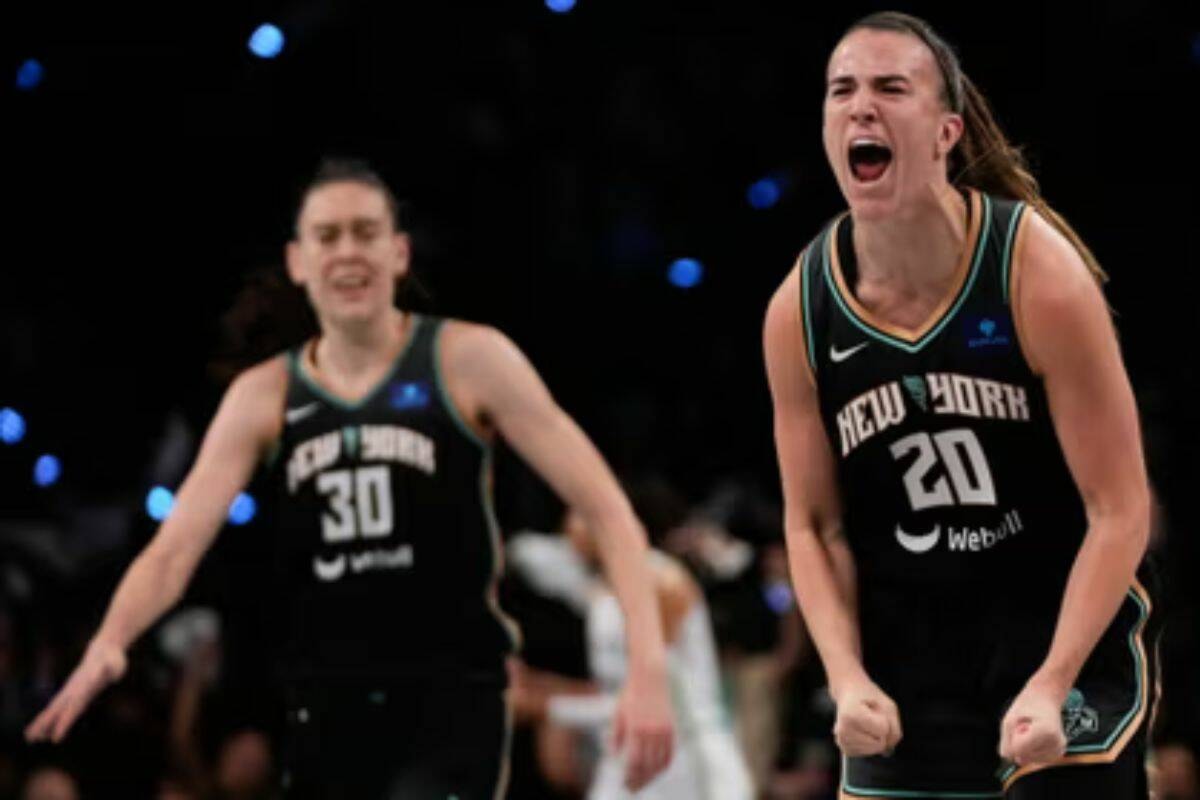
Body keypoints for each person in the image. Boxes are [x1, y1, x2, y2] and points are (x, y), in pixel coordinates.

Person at [25, 158, 673, 798]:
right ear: (297, 262)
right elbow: (173, 553)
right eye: (327, 236)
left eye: (365, 233)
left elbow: (609, 511)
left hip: (448, 701)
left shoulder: (470, 359)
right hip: (324, 707)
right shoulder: (264, 394)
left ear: (399, 253)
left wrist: (647, 670)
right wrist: (112, 640)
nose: (347, 252)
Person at [762, 12, 1156, 799]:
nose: (860, 107)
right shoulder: (798, 311)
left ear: (946, 132)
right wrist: (844, 677)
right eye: (842, 90)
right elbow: (812, 525)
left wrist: (1052, 680)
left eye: (889, 88)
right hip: (910, 664)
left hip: (1055, 640)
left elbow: (1119, 508)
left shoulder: (1036, 272)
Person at [511, 508, 754, 800]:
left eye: (581, 512)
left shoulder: (661, 583)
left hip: (682, 758)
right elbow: (615, 690)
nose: (570, 527)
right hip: (627, 754)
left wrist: (547, 706)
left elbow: (650, 700)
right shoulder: (602, 586)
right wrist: (537, 686)